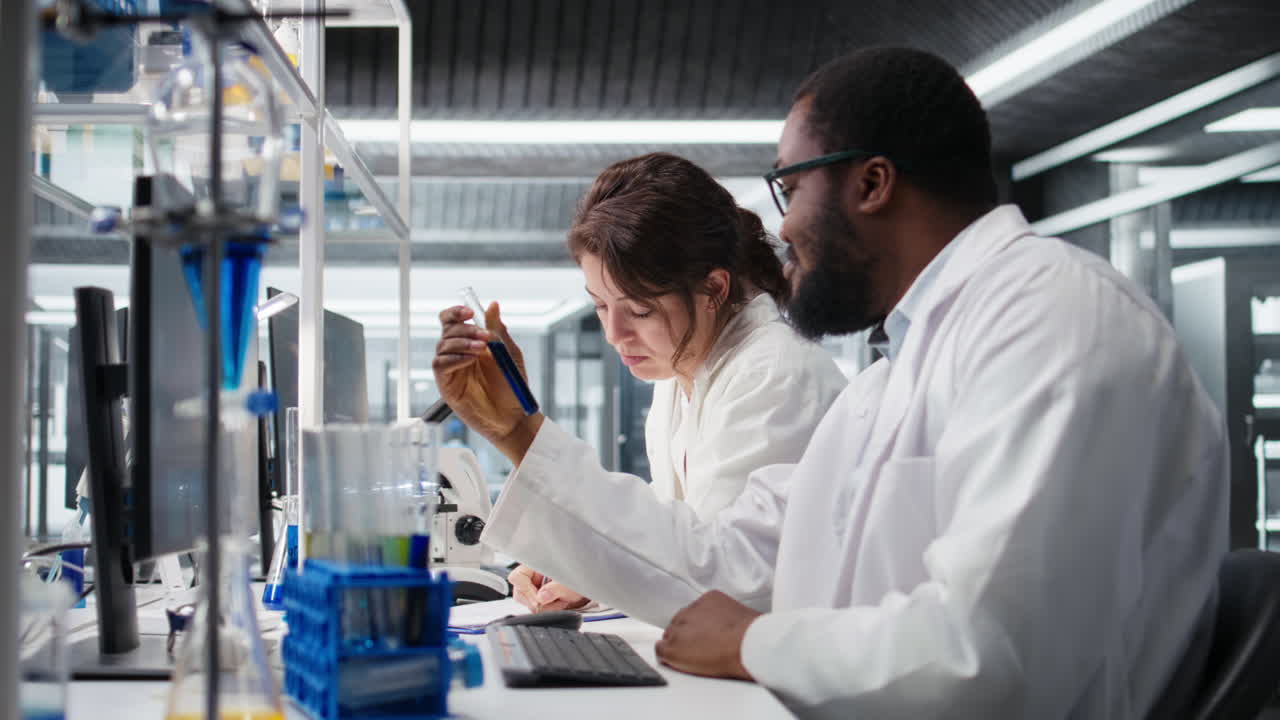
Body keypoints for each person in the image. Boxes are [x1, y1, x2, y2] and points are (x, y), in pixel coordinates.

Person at [434, 47, 1228, 718]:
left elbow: (991, 652)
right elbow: (730, 562)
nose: (778, 226)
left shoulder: (1051, 317)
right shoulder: (901, 372)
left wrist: (755, 643)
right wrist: (519, 435)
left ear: (872, 184)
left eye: (791, 185)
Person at [440, 152, 848, 613]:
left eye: (639, 310)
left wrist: (521, 434)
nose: (614, 334)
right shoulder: (682, 369)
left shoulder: (775, 373)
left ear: (713, 289)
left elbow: (729, 580)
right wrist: (586, 567)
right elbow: (680, 526)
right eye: (599, 305)